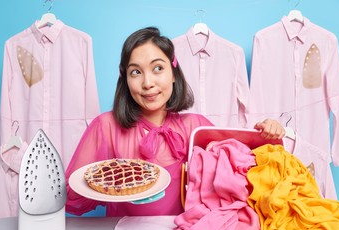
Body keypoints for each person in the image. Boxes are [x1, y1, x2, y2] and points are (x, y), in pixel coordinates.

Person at [65, 27, 285, 216]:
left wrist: (267, 135)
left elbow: (244, 168)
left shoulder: (196, 127)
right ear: (125, 78)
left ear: (173, 73)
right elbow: (73, 196)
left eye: (158, 68)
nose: (148, 83)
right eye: (136, 72)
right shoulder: (106, 126)